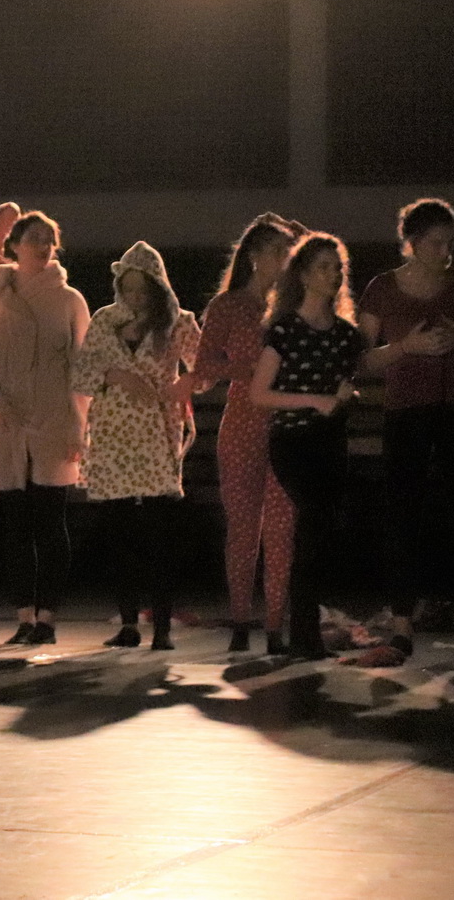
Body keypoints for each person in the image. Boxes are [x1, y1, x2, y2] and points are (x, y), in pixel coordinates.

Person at [359, 198, 454, 658]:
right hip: (406, 410)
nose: (445, 251)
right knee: (403, 515)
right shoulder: (383, 288)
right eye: (436, 243)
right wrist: (406, 346)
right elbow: (361, 358)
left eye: (450, 242)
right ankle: (402, 624)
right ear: (413, 243)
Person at [0, 211, 90, 645]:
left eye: (49, 239)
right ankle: (23, 617)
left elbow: (84, 366)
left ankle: (48, 618)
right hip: (7, 421)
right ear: (14, 245)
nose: (43, 246)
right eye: (34, 237)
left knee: (51, 522)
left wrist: (79, 425)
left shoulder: (70, 300)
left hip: (55, 419)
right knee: (15, 524)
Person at [74, 242, 201, 651]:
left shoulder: (177, 323)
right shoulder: (105, 320)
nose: (134, 297)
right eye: (127, 288)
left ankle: (162, 627)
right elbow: (81, 373)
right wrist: (115, 375)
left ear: (157, 287)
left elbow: (206, 369)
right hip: (112, 436)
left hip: (155, 435)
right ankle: (128, 623)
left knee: (160, 536)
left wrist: (183, 385)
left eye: (142, 289)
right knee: (119, 535)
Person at [191, 214, 304, 655]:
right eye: (277, 251)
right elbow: (204, 365)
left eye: (289, 252)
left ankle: (275, 623)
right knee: (242, 528)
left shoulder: (295, 307)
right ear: (255, 256)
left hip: (287, 424)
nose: (284, 259)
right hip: (243, 423)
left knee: (282, 528)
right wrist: (250, 369)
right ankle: (240, 619)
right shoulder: (229, 306)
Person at [251, 234, 365, 659]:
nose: (333, 275)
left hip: (330, 438)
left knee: (321, 531)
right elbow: (259, 393)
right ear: (302, 275)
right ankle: (304, 634)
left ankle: (306, 630)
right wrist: (313, 400)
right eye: (323, 267)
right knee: (313, 526)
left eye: (337, 268)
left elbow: (354, 373)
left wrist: (344, 396)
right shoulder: (285, 330)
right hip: (294, 439)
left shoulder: (344, 334)